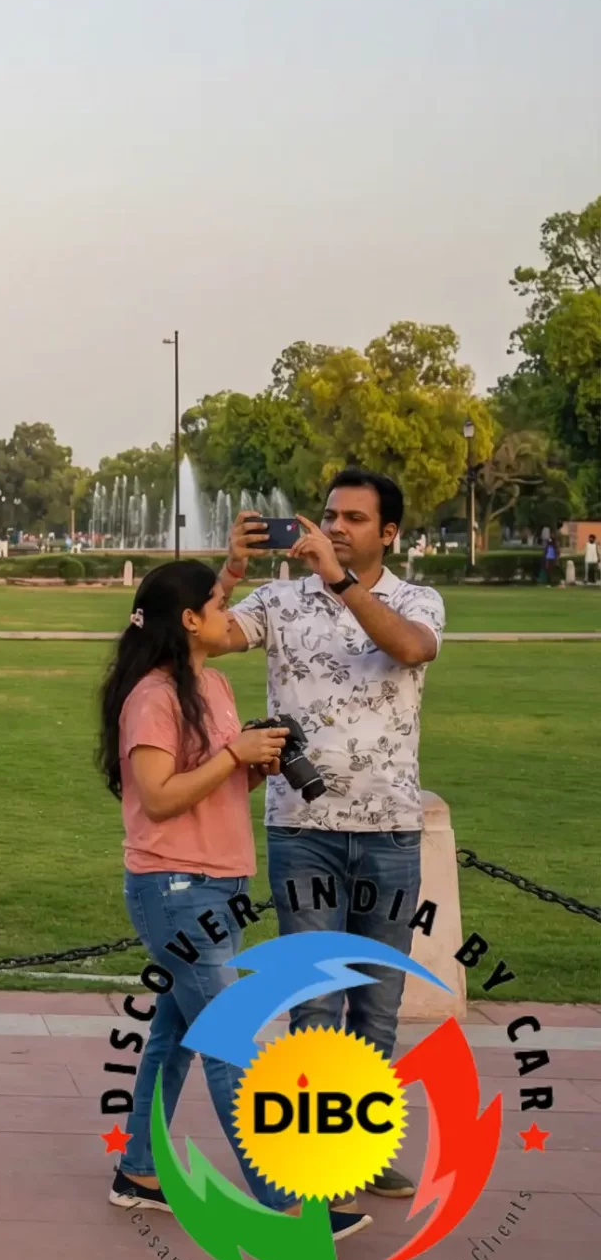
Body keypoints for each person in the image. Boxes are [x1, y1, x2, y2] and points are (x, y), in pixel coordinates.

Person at [100, 560, 370, 1240]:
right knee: (228, 1041)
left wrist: (253, 764)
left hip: (219, 882)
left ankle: (138, 1170)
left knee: (173, 1036)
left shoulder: (212, 684)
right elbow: (159, 798)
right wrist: (232, 754)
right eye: (221, 603)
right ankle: (286, 1200)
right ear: (190, 619)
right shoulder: (152, 697)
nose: (230, 614)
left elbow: (207, 787)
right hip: (173, 887)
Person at [213, 468, 443, 1205]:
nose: (335, 526)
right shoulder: (280, 599)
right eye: (329, 515)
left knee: (376, 1004)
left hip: (389, 830)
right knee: (314, 1003)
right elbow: (210, 635)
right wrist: (230, 569)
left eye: (353, 517)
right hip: (301, 827)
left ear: (390, 533)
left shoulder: (413, 598)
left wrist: (342, 583)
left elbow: (409, 647)